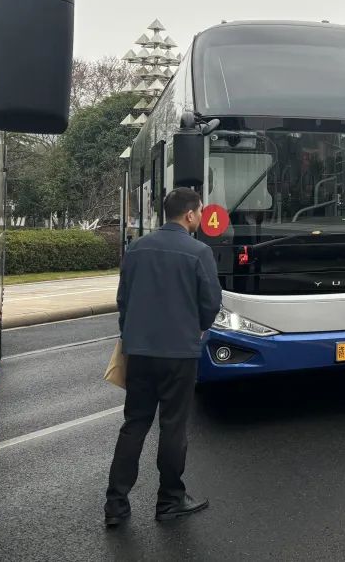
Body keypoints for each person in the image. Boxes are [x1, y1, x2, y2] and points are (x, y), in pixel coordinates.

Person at [105, 188, 223, 526]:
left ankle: (116, 505)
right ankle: (170, 500)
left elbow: (123, 299)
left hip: (139, 351)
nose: (201, 217)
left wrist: (130, 335)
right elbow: (211, 303)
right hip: (179, 353)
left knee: (134, 424)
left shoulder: (136, 248)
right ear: (190, 214)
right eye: (200, 211)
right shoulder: (199, 252)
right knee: (173, 426)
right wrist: (198, 328)